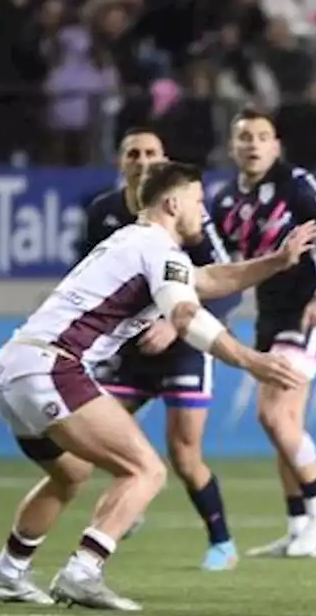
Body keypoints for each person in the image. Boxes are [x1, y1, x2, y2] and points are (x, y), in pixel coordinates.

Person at [0, 162, 315, 611]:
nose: (202, 210)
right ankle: (83, 571)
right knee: (146, 470)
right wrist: (252, 361)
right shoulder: (160, 249)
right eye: (196, 201)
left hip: (11, 367)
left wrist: (275, 262)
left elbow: (209, 279)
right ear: (173, 204)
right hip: (50, 368)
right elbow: (187, 316)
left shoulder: (134, 242)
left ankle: (7, 572)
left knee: (71, 473)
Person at [80, 129, 243, 571]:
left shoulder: (187, 215)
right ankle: (131, 499)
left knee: (185, 455)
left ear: (164, 159)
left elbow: (226, 285)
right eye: (133, 153)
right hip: (128, 348)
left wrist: (176, 323)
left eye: (152, 152)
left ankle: (221, 543)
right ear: (120, 163)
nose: (143, 160)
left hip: (182, 345)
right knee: (93, 437)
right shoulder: (103, 212)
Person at [210, 107, 316, 559]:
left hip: (308, 314)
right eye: (244, 137)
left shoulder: (295, 182)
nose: (253, 144)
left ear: (276, 144)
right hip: (270, 318)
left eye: (262, 136)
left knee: (274, 415)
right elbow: (223, 269)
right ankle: (298, 527)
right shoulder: (224, 202)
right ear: (232, 147)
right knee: (285, 425)